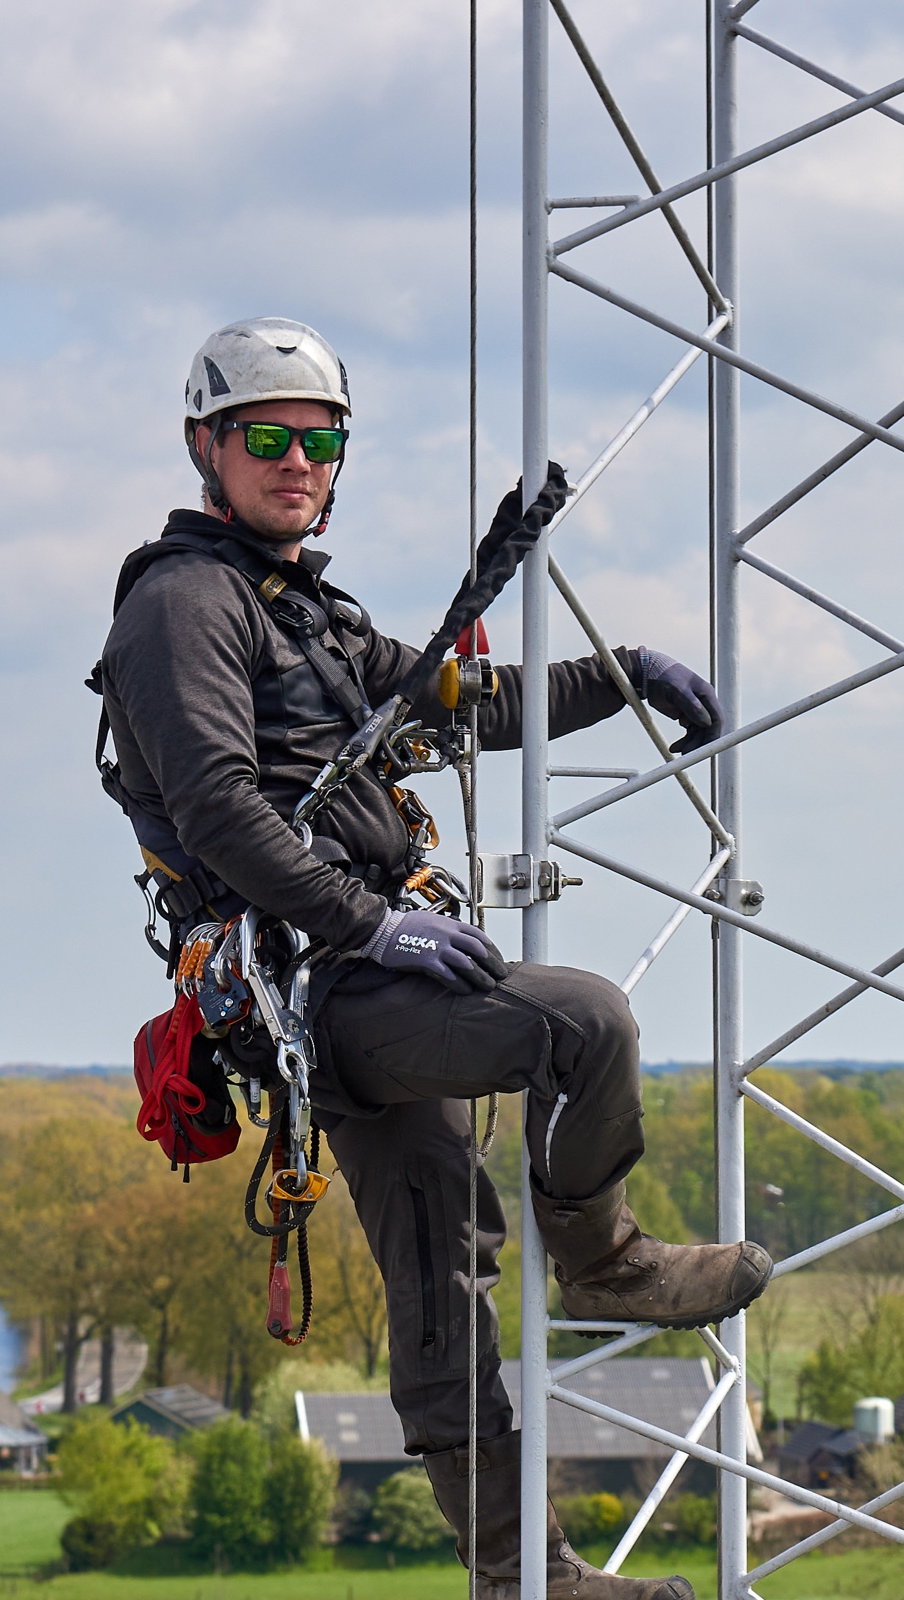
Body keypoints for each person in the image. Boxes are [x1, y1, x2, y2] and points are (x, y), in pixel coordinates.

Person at [93, 318, 767, 1600]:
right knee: (584, 1023)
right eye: (268, 438)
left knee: (440, 1286)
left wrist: (618, 676)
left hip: (351, 985)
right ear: (206, 447)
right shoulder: (184, 606)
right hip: (323, 986)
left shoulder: (305, 613)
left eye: (321, 438)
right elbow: (222, 808)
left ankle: (528, 1580)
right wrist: (370, 922)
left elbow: (458, 703)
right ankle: (607, 1261)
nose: (298, 460)